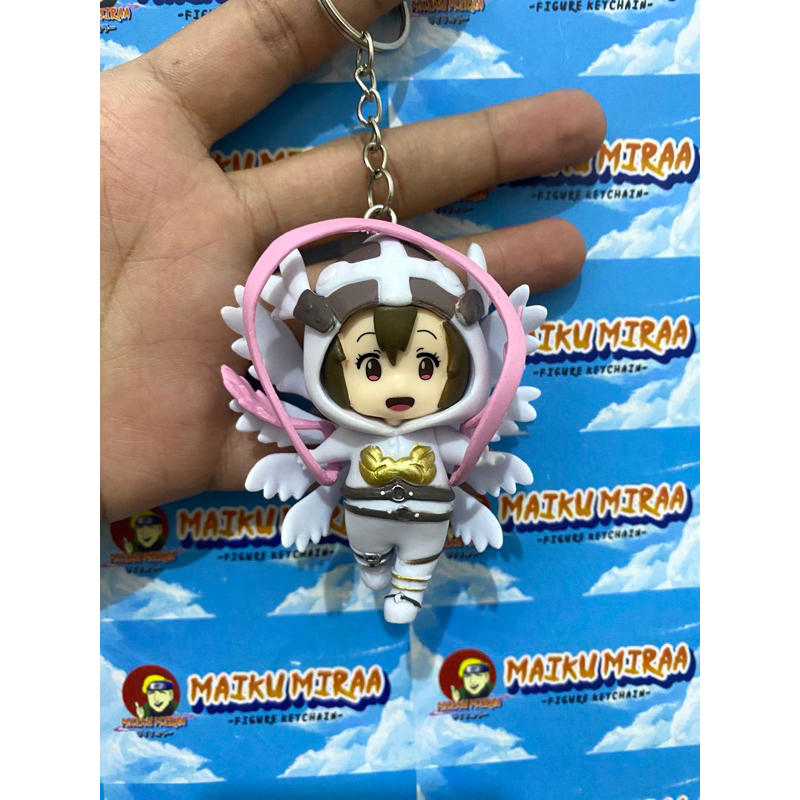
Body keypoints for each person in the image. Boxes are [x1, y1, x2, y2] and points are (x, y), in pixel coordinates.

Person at [100, 0, 606, 522]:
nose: (399, 387)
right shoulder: (341, 424)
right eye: (371, 367)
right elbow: (317, 464)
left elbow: (471, 454)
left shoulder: (445, 425)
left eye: (426, 366)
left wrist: (489, 474)